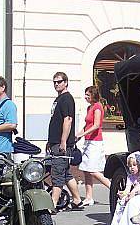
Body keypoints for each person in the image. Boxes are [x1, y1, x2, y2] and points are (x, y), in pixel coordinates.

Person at [47, 71, 84, 211]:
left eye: (59, 81)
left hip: (61, 143)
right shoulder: (59, 99)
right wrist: (50, 141)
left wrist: (63, 141)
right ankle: (77, 200)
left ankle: (52, 205)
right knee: (66, 173)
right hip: (55, 142)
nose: (56, 84)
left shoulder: (67, 99)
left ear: (66, 82)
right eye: (54, 82)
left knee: (57, 173)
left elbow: (68, 120)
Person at [76, 86, 110, 205]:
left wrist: (83, 133)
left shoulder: (97, 107)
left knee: (93, 170)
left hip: (95, 142)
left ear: (93, 95)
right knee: (86, 169)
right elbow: (87, 125)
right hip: (88, 141)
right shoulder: (89, 108)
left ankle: (114, 188)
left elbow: (96, 125)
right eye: (85, 94)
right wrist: (79, 135)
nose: (85, 97)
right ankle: (89, 197)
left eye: (88, 95)